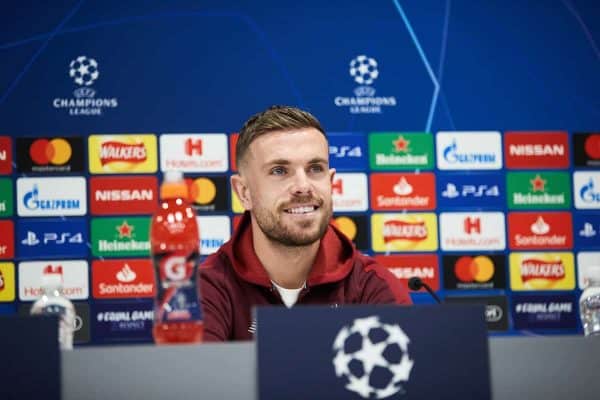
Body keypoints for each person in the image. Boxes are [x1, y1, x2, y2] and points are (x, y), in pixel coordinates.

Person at [199, 105, 412, 341]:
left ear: (331, 182)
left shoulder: (373, 288)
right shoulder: (209, 288)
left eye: (315, 169)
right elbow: (194, 377)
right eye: (279, 170)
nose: (303, 186)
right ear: (244, 193)